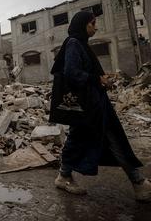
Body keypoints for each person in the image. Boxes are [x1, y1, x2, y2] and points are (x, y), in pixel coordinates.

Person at [50, 11, 151, 202]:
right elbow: (71, 73)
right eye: (92, 23)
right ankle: (139, 183)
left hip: (94, 103)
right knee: (111, 139)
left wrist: (102, 81)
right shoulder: (73, 43)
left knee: (84, 137)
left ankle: (64, 175)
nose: (95, 27)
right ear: (83, 25)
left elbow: (84, 73)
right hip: (88, 105)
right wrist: (97, 79)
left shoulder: (81, 45)